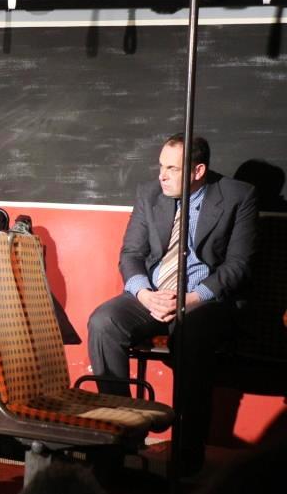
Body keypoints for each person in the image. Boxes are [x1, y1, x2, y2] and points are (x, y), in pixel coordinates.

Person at [87, 134, 257, 474]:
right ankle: (120, 435)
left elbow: (238, 266)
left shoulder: (238, 196)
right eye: (161, 166)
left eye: (172, 169)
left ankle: (187, 454)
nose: (161, 175)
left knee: (192, 334)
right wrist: (144, 294)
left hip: (202, 300)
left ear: (198, 171)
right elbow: (131, 254)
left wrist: (190, 299)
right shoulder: (149, 193)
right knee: (103, 322)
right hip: (154, 294)